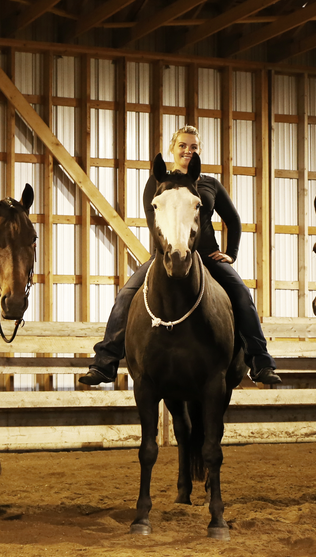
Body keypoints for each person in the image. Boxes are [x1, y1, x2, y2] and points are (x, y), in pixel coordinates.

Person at [80, 125, 282, 386]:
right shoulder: (157, 182)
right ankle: (105, 363)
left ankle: (260, 363)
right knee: (125, 295)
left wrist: (231, 254)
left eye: (193, 147)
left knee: (242, 294)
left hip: (207, 255)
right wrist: (166, 253)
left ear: (199, 151)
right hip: (167, 255)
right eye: (182, 145)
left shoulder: (209, 184)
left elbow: (233, 220)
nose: (188, 150)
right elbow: (154, 222)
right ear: (172, 149)